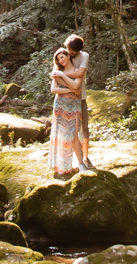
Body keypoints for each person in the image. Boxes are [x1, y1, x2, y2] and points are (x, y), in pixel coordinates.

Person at [51, 33, 93, 170]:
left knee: (83, 129)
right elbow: (54, 86)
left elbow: (79, 74)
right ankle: (72, 161)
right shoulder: (62, 57)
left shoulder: (83, 57)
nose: (69, 52)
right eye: (68, 49)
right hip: (64, 99)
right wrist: (56, 74)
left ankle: (85, 158)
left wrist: (60, 74)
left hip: (79, 98)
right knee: (65, 132)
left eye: (71, 51)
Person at [48, 47, 84, 177]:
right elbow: (53, 89)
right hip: (61, 105)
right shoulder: (57, 71)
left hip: (74, 105)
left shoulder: (77, 71)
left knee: (73, 135)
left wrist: (63, 76)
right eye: (58, 59)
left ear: (68, 56)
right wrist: (69, 91)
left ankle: (81, 164)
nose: (61, 61)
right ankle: (62, 166)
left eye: (62, 57)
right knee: (61, 135)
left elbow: (76, 86)